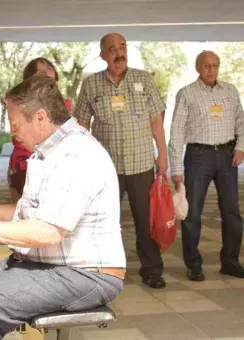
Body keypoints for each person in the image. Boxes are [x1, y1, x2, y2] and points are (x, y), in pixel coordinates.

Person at [0, 75, 126, 339]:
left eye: (15, 123)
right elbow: (25, 214)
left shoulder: (76, 153)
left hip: (87, 274)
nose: (12, 131)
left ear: (40, 117)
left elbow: (47, 232)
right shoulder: (48, 152)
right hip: (54, 265)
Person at [74, 32, 168, 289]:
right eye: (112, 49)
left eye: (122, 47)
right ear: (103, 55)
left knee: (145, 220)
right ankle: (103, 271)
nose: (119, 53)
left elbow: (155, 120)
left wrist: (163, 153)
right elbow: (82, 125)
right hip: (106, 169)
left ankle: (152, 271)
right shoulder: (91, 85)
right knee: (103, 222)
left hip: (141, 165)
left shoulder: (143, 79)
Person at [169, 50, 244, 281]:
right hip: (198, 156)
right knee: (192, 214)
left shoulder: (230, 90)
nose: (211, 69)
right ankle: (193, 265)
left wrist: (241, 146)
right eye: (207, 66)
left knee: (232, 212)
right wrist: (176, 170)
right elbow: (176, 132)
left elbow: (241, 120)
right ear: (198, 68)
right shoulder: (187, 94)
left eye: (215, 65)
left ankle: (230, 262)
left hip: (226, 155)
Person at [8, 57, 72, 202]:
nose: (47, 72)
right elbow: (19, 139)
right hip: (28, 161)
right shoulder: (21, 103)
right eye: (41, 71)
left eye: (49, 68)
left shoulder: (66, 103)